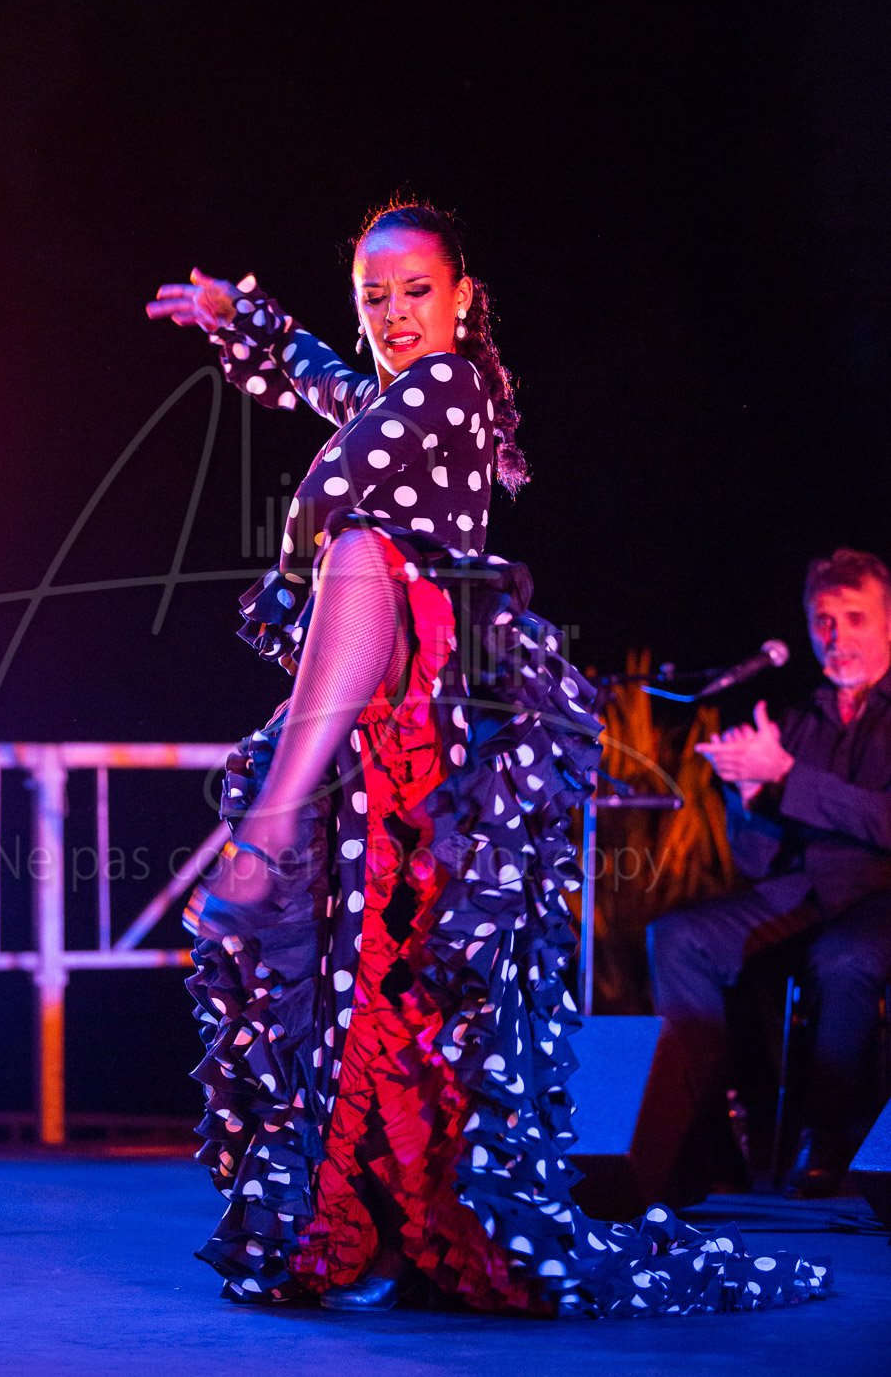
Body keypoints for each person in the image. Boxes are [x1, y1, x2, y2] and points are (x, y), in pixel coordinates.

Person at [146, 201, 829, 1315]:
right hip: (390, 706)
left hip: (434, 693)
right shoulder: (403, 396)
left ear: (463, 298)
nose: (395, 315)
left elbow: (337, 480)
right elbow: (334, 386)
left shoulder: (449, 383)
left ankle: (271, 825)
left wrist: (296, 563)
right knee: (378, 959)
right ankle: (382, 1222)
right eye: (374, 298)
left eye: (416, 292)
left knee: (358, 553)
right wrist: (248, 321)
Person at [651, 548, 891, 1196]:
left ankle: (827, 1137)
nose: (835, 636)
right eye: (822, 620)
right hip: (803, 895)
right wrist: (748, 796)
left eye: (855, 618)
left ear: (889, 624)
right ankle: (707, 1144)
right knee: (678, 938)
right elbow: (759, 863)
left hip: (878, 895)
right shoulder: (798, 721)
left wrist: (785, 774)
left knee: (845, 956)